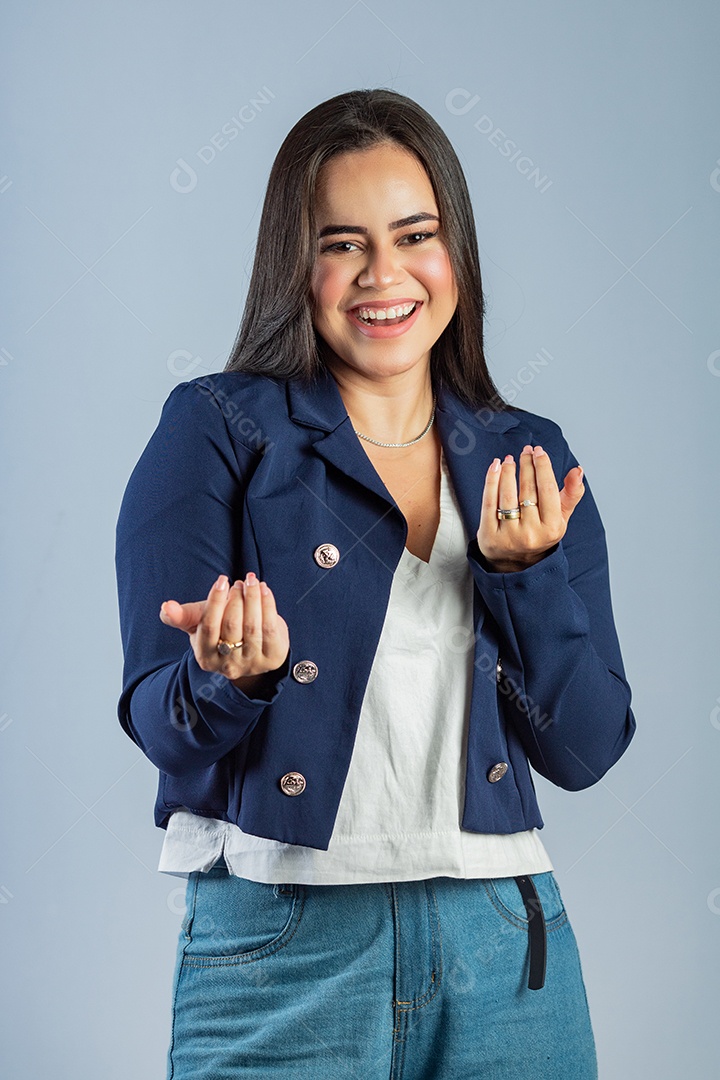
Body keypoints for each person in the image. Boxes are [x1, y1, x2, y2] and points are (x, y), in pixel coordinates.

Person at [115, 88, 636, 1079]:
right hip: (280, 947)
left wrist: (523, 580)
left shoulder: (527, 455)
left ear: (458, 255)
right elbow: (159, 718)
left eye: (414, 235)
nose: (383, 276)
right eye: (341, 243)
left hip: (504, 942)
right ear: (294, 265)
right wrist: (234, 679)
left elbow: (586, 746)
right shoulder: (218, 426)